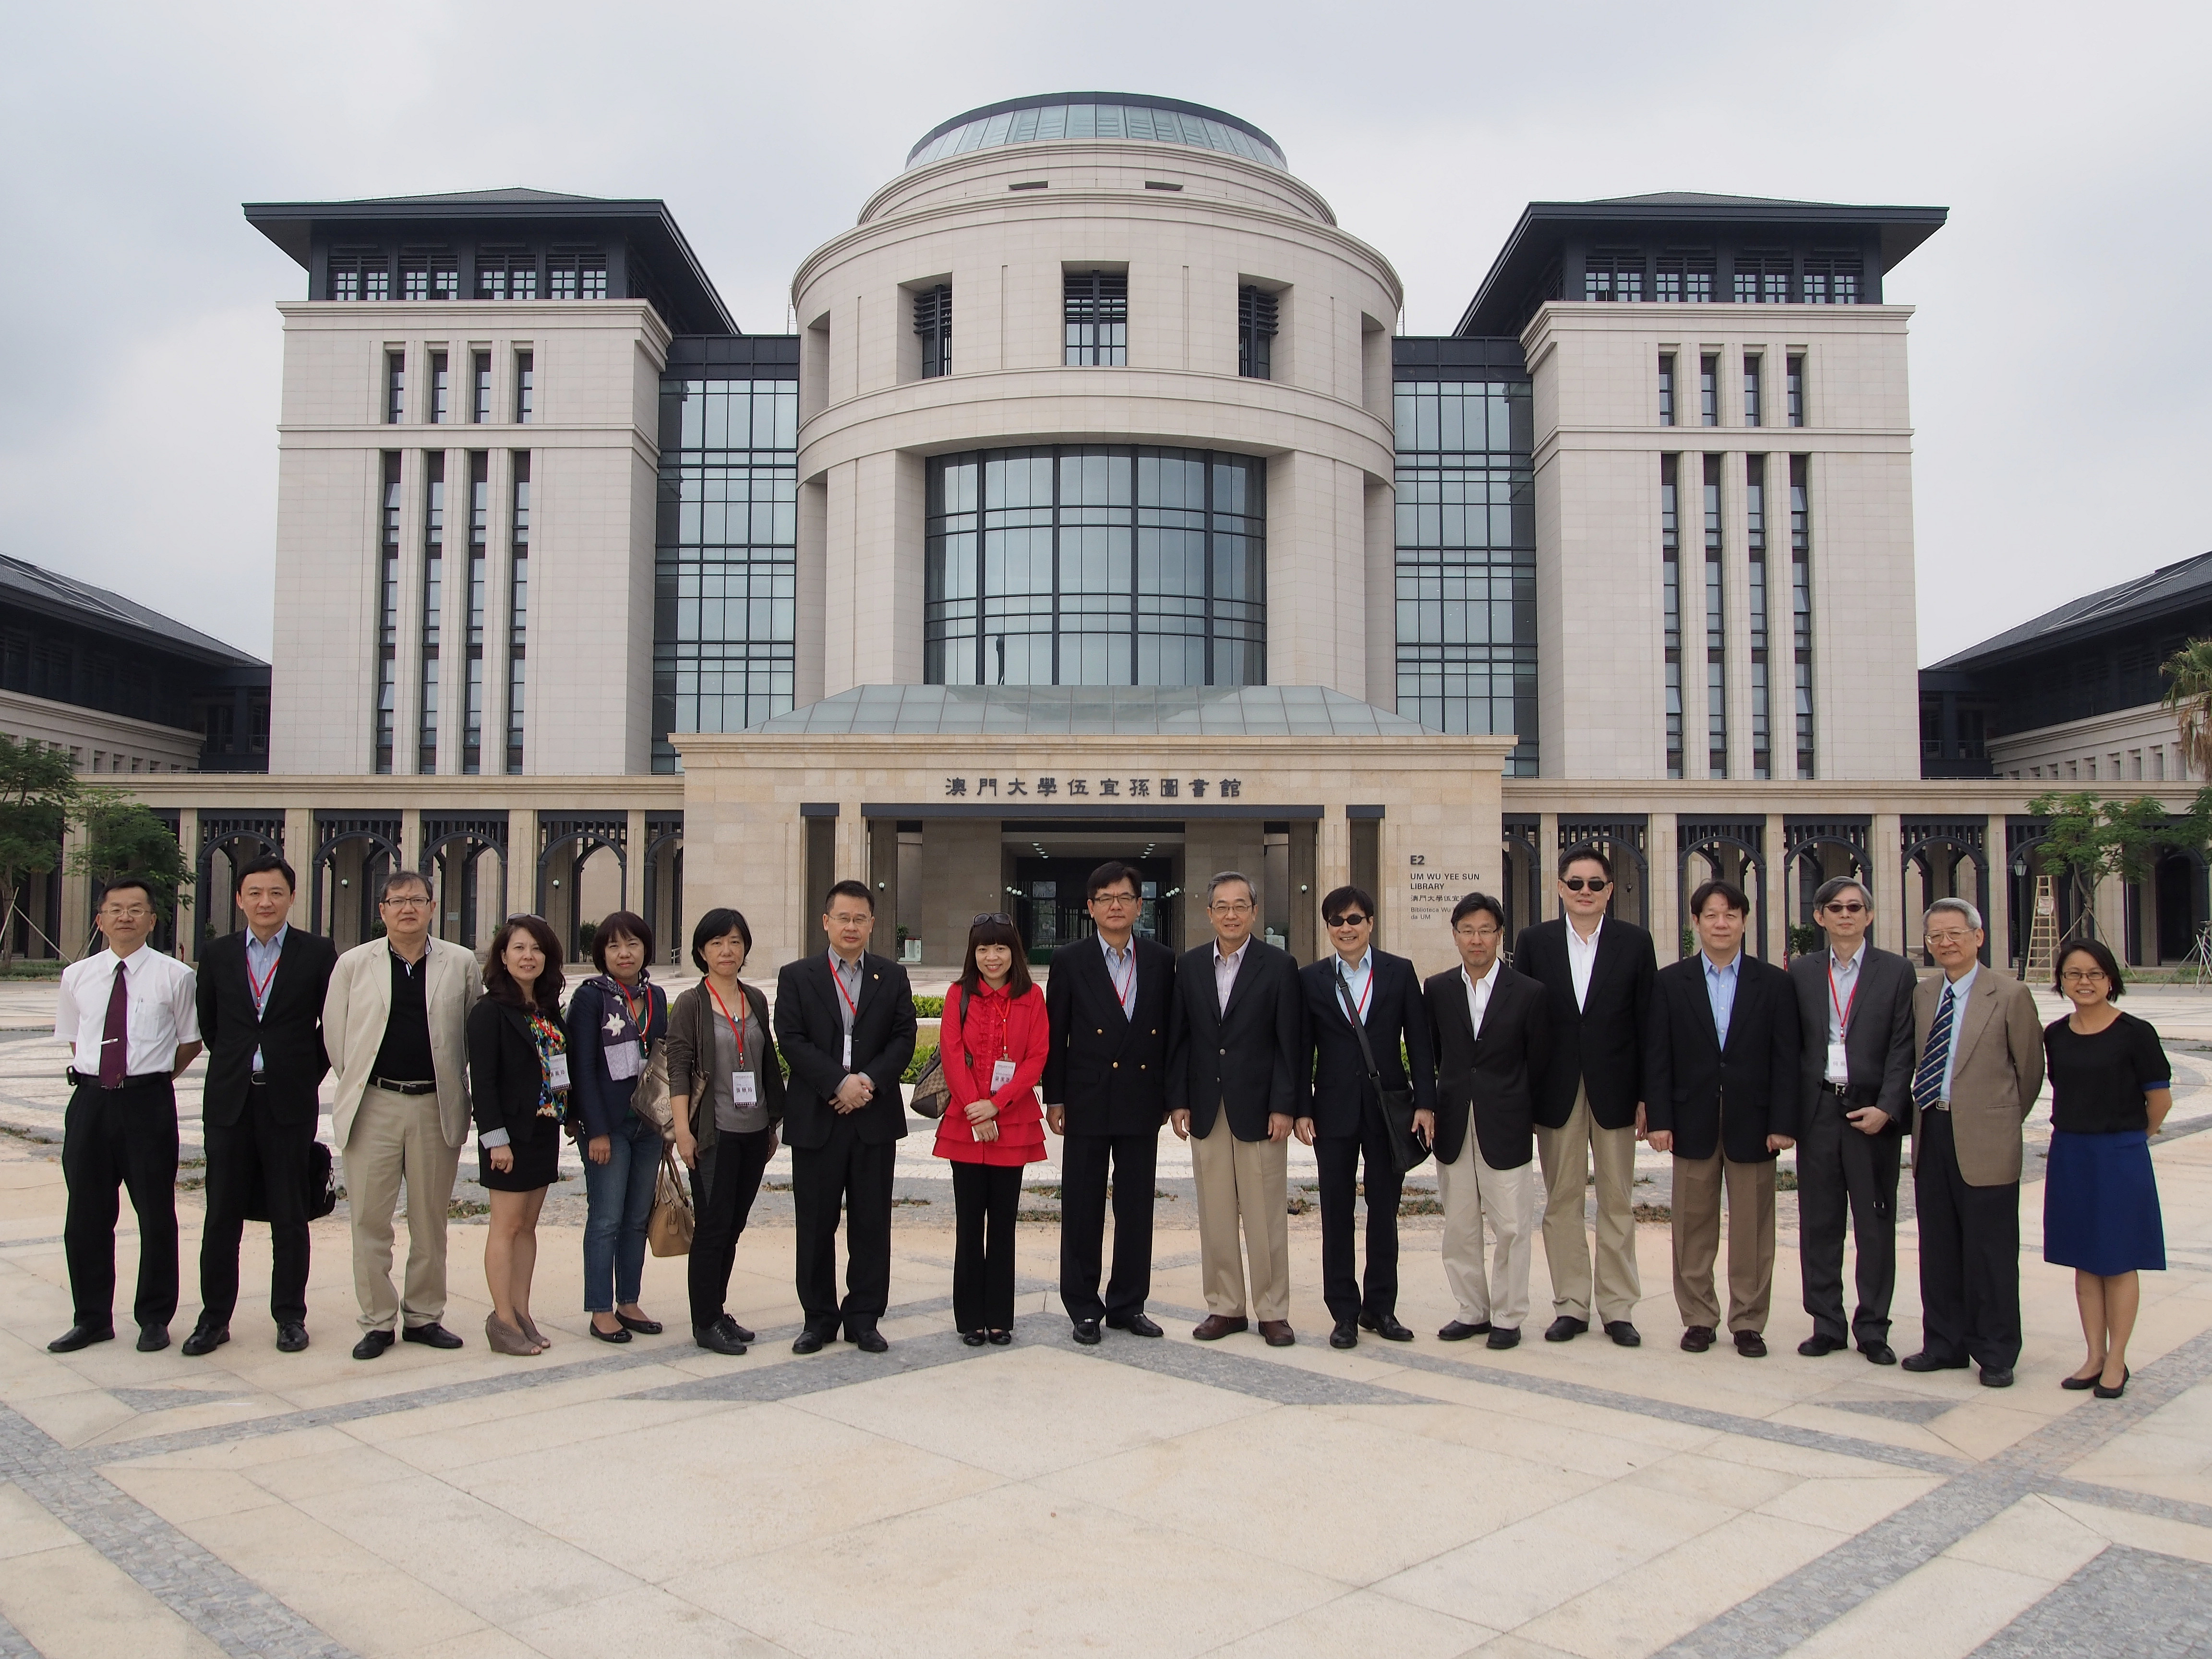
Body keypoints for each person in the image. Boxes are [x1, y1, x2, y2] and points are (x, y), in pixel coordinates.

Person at [185, 855, 338, 1358]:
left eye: (275, 893)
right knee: (221, 1215)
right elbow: (211, 1024)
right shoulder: (218, 954)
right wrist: (242, 1064)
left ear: (292, 897)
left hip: (288, 1101)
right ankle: (214, 1319)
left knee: (290, 1214)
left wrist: (300, 1071)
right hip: (230, 1101)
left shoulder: (317, 953)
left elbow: (332, 1025)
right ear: (240, 899)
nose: (265, 902)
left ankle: (290, 1317)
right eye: (254, 893)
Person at [324, 868, 478, 1359]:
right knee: (370, 1222)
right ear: (383, 910)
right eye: (397, 901)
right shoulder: (354, 964)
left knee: (430, 1222)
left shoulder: (460, 963)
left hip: (435, 1105)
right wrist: (363, 1083)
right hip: (375, 1105)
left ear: (432, 907)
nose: (407, 908)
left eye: (417, 900)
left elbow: (472, 1032)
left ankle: (424, 1316)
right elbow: (337, 1037)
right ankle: (376, 1321)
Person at [1646, 880, 1800, 1358]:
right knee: (1692, 1225)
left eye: (1730, 915)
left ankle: (1749, 1321)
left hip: (1754, 1120)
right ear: (1696, 922)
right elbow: (1658, 1056)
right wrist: (1660, 1119)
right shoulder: (1671, 982)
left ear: (1744, 922)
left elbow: (1787, 1059)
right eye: (1711, 915)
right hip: (1690, 1118)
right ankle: (1698, 1318)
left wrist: (1783, 1122)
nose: (1721, 924)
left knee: (1753, 1227)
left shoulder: (1773, 983)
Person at [1513, 844, 1659, 1348]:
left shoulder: (1635, 943)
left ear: (1609, 890)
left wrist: (1649, 1096)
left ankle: (1618, 1308)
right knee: (1562, 1202)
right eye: (1575, 883)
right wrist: (1524, 1094)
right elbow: (1523, 1022)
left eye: (1595, 884)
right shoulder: (1535, 942)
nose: (1585, 892)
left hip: (1616, 1090)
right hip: (1556, 1091)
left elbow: (1649, 1025)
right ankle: (1571, 1305)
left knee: (1618, 1201)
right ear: (1560, 888)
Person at [50, 878, 201, 1354]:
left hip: (147, 1104)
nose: (126, 917)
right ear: (100, 919)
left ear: (152, 920)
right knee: (86, 1215)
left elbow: (190, 1041)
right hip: (91, 1103)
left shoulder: (176, 976)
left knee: (156, 1214)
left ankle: (154, 1317)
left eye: (136, 909)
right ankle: (91, 1318)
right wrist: (103, 1078)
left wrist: (148, 1079)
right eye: (116, 909)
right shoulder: (78, 976)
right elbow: (76, 1038)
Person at [1903, 897, 2044, 1389]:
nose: (1945, 943)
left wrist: (1998, 1119)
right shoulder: (1924, 994)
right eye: (1936, 936)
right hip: (1933, 1129)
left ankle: (1996, 1350)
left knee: (1991, 1252)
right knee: (1938, 1245)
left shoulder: (2010, 994)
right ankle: (1944, 1343)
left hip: (1987, 1139)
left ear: (1978, 937)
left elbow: (2030, 1071)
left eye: (1955, 934)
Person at [774, 880, 918, 1355]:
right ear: (826, 922)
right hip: (817, 1117)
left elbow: (903, 1039)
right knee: (815, 1224)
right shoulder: (798, 976)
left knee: (871, 1225)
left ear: (872, 924)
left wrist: (867, 1083)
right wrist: (838, 1083)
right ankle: (818, 1319)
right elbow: (791, 1038)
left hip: (873, 1119)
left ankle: (864, 1318)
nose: (851, 926)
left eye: (860, 919)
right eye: (843, 918)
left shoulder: (891, 976)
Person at [1166, 871, 1303, 1346]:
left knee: (1266, 1215)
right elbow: (1181, 1039)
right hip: (1207, 1106)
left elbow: (1290, 1044)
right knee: (1216, 1212)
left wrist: (1284, 1105)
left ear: (1254, 912)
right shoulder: (1190, 966)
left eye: (1240, 906)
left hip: (1262, 1110)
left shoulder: (1279, 966)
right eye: (1222, 906)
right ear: (1209, 913)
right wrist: (1178, 1100)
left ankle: (1273, 1310)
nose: (1231, 915)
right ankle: (1225, 1307)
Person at [1296, 884, 1436, 1349]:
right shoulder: (1312, 978)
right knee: (1336, 1213)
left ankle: (1381, 1308)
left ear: (1370, 923)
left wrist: (1425, 1103)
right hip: (1332, 1112)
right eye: (1337, 921)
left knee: (1384, 1213)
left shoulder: (1399, 972)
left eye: (1354, 919)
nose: (1346, 928)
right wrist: (1302, 1108)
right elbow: (1302, 1049)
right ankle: (1344, 1313)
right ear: (1328, 928)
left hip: (1387, 1112)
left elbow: (1420, 1044)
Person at [1042, 861, 1177, 1345]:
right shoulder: (1070, 960)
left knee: (1137, 1206)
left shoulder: (1162, 959)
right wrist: (1055, 1097)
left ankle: (1128, 1304)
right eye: (1105, 899)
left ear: (1140, 906)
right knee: (1082, 1205)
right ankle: (1083, 1306)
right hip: (1087, 1096)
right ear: (1091, 907)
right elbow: (1056, 1034)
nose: (1115, 906)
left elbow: (1173, 1036)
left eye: (1124, 898)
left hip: (1142, 1097)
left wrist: (1172, 1096)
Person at [1787, 877, 1916, 1365]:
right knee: (1819, 1223)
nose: (1846, 915)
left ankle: (1873, 1328)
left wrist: (1888, 1106)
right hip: (1819, 1110)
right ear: (1819, 916)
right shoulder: (1802, 971)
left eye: (1855, 907)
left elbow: (1903, 1047)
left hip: (1871, 1114)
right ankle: (1827, 1323)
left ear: (1869, 916)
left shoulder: (1896, 971)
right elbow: (1791, 1045)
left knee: (1875, 1224)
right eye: (1836, 908)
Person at [2043, 939, 2170, 1401]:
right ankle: (2094, 1355)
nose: (2085, 982)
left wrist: (2135, 1137)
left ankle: (2117, 1360)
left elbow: (2160, 1100)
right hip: (2071, 1153)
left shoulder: (2136, 1033)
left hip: (2119, 1155)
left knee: (2118, 1260)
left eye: (2095, 973)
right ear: (2061, 982)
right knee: (2084, 1258)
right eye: (2074, 974)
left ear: (2111, 979)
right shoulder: (2055, 1035)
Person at [1423, 892, 1551, 1348]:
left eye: (1485, 931)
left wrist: (1525, 1112)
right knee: (1460, 1227)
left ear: (1499, 935)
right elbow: (1436, 1054)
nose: (1476, 940)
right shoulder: (1438, 989)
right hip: (1455, 1122)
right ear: (1455, 935)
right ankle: (1472, 1311)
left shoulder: (1529, 992)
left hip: (1507, 1122)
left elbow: (1539, 1062)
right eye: (1467, 931)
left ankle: (1509, 1317)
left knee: (1512, 1227)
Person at [668, 907, 786, 1356]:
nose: (726, 951)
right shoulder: (692, 1003)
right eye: (717, 943)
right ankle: (704, 1322)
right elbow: (679, 1069)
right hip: (712, 1133)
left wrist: (772, 1124)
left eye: (735, 942)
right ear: (702, 951)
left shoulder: (754, 998)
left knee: (733, 1226)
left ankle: (717, 1311)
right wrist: (683, 1132)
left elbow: (762, 1060)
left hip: (754, 1131)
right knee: (713, 1227)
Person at [934, 914, 1050, 1344]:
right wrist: (976, 1111)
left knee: (1003, 1226)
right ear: (973, 953)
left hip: (1012, 1124)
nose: (992, 957)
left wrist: (997, 1106)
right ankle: (970, 1319)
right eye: (983, 949)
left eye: (1000, 948)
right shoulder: (958, 995)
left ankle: (1000, 1317)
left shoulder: (1032, 997)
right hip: (966, 1126)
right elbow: (951, 1054)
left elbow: (1037, 1058)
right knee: (969, 1225)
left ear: (1014, 952)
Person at [565, 911, 669, 1345]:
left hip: (647, 1127)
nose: (624, 953)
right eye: (614, 946)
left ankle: (629, 1301)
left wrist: (668, 1125)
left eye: (632, 944)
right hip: (608, 1128)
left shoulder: (657, 996)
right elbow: (582, 1069)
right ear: (602, 954)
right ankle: (601, 1309)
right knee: (606, 1218)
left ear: (646, 949)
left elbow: (663, 1062)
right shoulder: (590, 999)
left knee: (636, 1219)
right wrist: (595, 1130)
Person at [468, 914, 569, 1356]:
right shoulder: (489, 1012)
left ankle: (522, 1312)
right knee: (506, 1226)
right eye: (519, 949)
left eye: (537, 949)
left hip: (543, 1129)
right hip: (508, 1137)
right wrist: (496, 1140)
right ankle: (502, 1320)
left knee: (528, 1227)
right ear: (503, 957)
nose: (529, 957)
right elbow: (483, 1083)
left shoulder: (547, 1010)